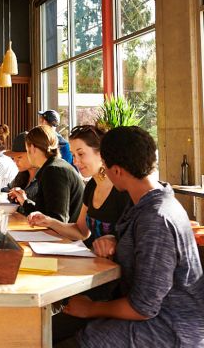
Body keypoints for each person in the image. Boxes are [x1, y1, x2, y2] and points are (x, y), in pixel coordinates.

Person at [64, 126, 204, 347]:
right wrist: (117, 241)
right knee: (61, 326)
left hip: (170, 329)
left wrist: (92, 309)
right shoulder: (147, 201)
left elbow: (143, 307)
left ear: (117, 171)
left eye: (107, 168)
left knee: (65, 337)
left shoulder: (156, 218)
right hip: (156, 317)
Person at [28, 125, 130, 248]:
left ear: (101, 153)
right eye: (73, 155)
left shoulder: (122, 188)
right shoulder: (92, 186)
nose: (75, 162)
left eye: (81, 154)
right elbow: (81, 232)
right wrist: (49, 221)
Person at [23, 125, 84, 221]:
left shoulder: (54, 171)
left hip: (67, 236)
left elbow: (57, 220)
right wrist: (24, 201)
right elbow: (46, 215)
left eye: (27, 150)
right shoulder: (55, 166)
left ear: (32, 148)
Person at [5, 132, 39, 213]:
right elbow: (8, 189)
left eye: (19, 157)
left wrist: (24, 200)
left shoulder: (44, 178)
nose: (15, 161)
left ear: (32, 153)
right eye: (13, 158)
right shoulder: (22, 174)